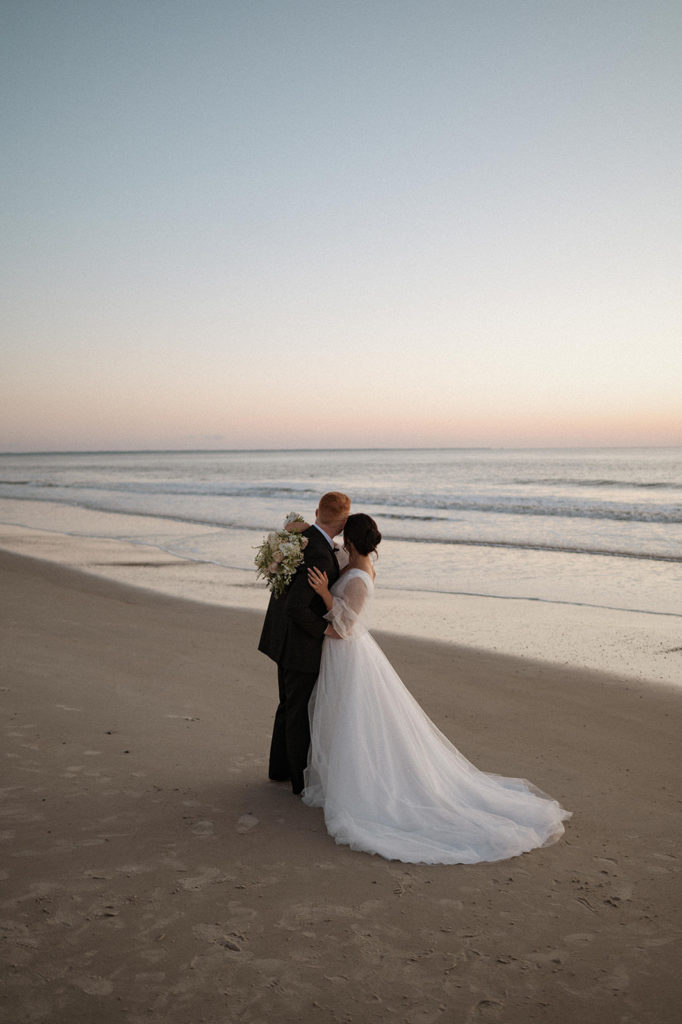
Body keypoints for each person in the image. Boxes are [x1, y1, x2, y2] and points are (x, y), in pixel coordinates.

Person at [303, 512, 571, 864]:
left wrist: (321, 598)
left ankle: (363, 788)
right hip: (351, 657)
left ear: (350, 542)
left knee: (357, 722)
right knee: (354, 721)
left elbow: (344, 629)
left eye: (342, 538)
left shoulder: (356, 578)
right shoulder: (358, 564)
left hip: (348, 654)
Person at [258, 491, 351, 795]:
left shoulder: (301, 538)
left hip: (280, 636)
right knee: (299, 711)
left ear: (316, 512)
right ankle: (299, 782)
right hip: (299, 643)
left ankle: (279, 768)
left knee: (288, 704)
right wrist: (326, 631)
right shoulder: (319, 554)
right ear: (344, 520)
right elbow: (298, 607)